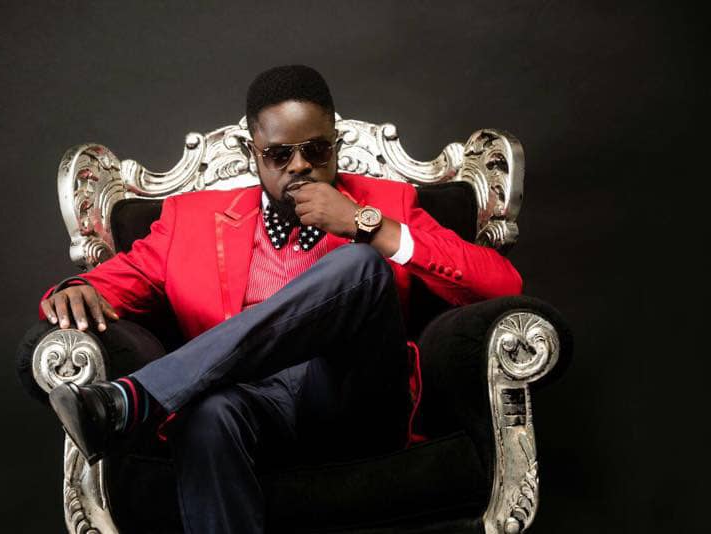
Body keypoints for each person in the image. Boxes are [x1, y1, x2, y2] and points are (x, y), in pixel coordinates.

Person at [39, 65, 522, 533]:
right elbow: (112, 281)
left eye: (316, 149)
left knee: (360, 264)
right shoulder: (190, 220)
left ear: (336, 143)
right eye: (278, 154)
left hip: (354, 401)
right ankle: (148, 399)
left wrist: (366, 225)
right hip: (248, 403)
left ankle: (138, 399)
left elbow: (501, 284)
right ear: (251, 152)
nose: (300, 165)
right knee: (205, 417)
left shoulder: (386, 204)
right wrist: (76, 289)